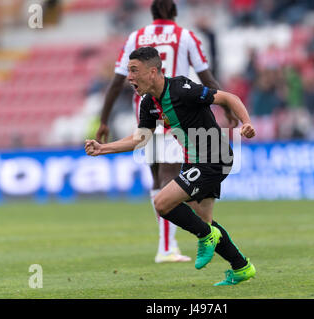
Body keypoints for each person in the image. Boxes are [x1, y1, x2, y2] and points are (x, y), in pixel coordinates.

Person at [86, 46, 256, 286]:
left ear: (153, 72)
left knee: (162, 203)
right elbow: (140, 139)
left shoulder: (181, 89)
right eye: (128, 71)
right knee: (203, 218)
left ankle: (206, 236)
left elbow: (229, 98)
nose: (130, 77)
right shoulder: (148, 103)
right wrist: (103, 148)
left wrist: (246, 123)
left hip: (214, 157)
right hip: (193, 161)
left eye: (134, 70)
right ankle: (241, 267)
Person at [96, 0, 237, 263]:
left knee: (158, 178)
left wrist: (104, 120)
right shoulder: (186, 36)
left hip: (146, 110)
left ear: (151, 13)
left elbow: (116, 83)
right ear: (175, 12)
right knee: (171, 177)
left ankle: (169, 244)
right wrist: (225, 106)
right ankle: (169, 247)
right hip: (175, 113)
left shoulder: (135, 38)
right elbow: (206, 76)